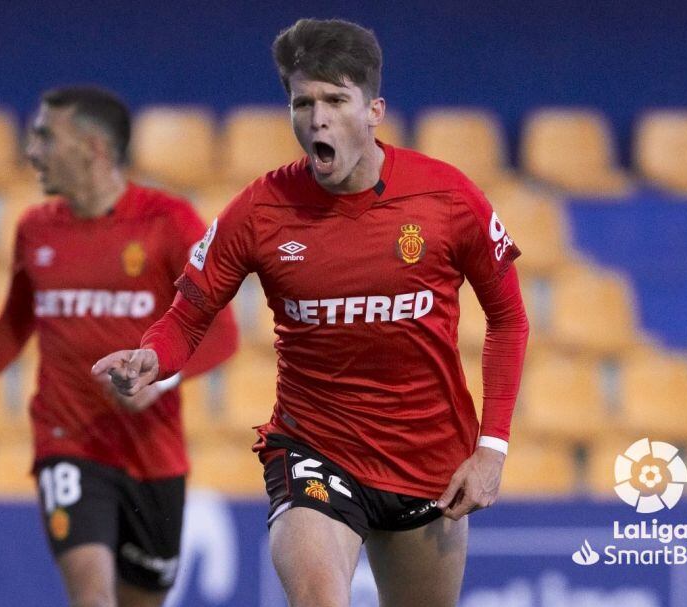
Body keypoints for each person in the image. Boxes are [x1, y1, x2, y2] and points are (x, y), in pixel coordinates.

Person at [93, 19, 529, 607]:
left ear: (374, 109)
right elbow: (188, 315)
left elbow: (508, 318)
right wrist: (153, 355)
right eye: (302, 101)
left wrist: (492, 449)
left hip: (427, 459)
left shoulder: (447, 199)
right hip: (314, 450)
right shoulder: (260, 210)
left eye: (334, 100)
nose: (316, 117)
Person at [0, 86, 238, 607]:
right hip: (67, 440)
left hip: (153, 453)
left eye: (45, 136)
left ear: (93, 148)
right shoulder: (35, 229)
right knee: (92, 597)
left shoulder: (168, 223)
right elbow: (16, 322)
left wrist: (160, 380)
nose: (32, 151)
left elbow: (222, 333)